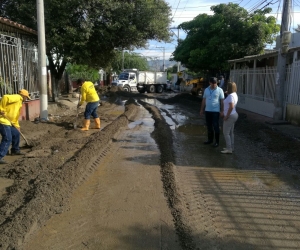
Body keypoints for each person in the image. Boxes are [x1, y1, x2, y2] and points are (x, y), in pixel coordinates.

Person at [0, 89, 31, 164]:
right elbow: (5, 97)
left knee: (16, 133)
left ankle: (15, 150)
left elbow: (15, 116)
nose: (26, 99)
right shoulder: (17, 97)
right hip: (3, 121)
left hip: (10, 122)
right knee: (7, 138)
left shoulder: (19, 102)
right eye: (26, 97)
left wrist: (17, 126)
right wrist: (1, 109)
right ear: (23, 96)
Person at [200, 77, 224, 147]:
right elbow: (204, 100)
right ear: (209, 83)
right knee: (209, 126)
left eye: (215, 83)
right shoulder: (206, 90)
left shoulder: (220, 90)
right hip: (207, 110)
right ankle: (210, 140)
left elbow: (222, 101)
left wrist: (222, 110)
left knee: (216, 126)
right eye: (212, 83)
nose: (214, 84)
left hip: (215, 111)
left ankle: (217, 142)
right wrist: (202, 109)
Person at [221, 82, 238, 154]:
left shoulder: (231, 96)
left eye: (228, 87)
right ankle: (231, 147)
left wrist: (226, 116)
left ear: (229, 88)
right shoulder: (234, 94)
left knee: (226, 132)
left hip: (230, 116)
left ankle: (229, 148)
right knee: (231, 132)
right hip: (234, 114)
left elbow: (231, 106)